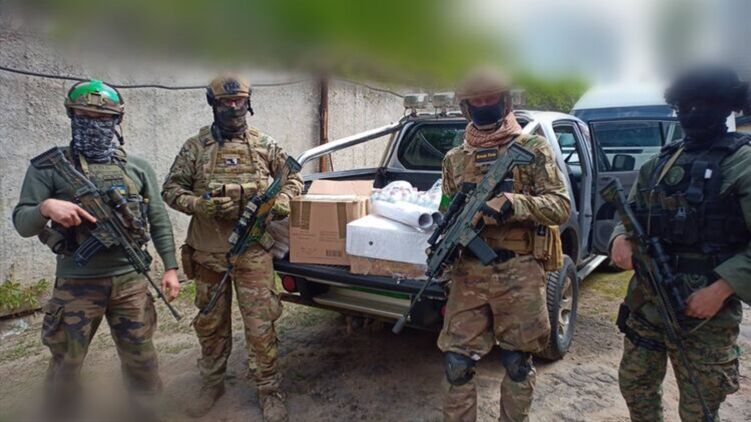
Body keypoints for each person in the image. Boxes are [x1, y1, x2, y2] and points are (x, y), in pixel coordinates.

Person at [12, 79, 180, 419]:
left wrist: (170, 268)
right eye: (85, 117)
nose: (94, 125)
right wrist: (46, 207)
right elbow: (22, 222)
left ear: (117, 121)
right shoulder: (49, 167)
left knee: (142, 361)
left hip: (130, 283)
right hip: (76, 285)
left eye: (103, 119)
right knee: (66, 365)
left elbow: (159, 220)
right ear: (71, 117)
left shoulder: (137, 167)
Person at [609, 65, 751, 421]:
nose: (692, 113)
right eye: (685, 105)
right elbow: (629, 213)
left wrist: (721, 289)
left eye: (703, 104)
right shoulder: (660, 162)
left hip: (706, 309)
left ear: (725, 107)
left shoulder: (743, 163)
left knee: (699, 406)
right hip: (648, 300)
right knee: (636, 386)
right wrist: (619, 239)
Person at [162, 75, 303, 421]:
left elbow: (294, 178)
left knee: (261, 324)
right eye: (226, 102)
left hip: (253, 251)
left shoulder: (264, 144)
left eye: (239, 100)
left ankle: (269, 389)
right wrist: (199, 205)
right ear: (213, 104)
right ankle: (212, 384)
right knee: (210, 324)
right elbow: (171, 189)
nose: (233, 107)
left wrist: (283, 201)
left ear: (248, 103)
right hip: (208, 254)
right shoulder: (196, 147)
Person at [437, 68, 571, 421]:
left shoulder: (532, 149)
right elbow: (447, 209)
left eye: (491, 97)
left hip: (519, 270)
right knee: (456, 364)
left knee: (516, 363)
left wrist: (515, 203)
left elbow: (561, 206)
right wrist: (443, 240)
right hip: (469, 272)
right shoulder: (454, 158)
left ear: (506, 100)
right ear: (466, 107)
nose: (484, 104)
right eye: (476, 100)